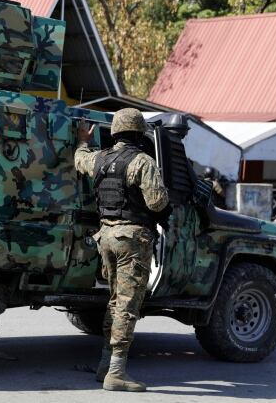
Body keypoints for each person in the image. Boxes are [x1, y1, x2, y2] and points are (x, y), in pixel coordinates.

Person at [74, 108, 170, 392]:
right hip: (132, 239)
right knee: (128, 305)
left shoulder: (100, 159)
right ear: (139, 133)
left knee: (115, 301)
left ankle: (105, 365)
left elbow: (80, 159)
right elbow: (157, 202)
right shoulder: (142, 161)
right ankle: (116, 372)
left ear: (115, 131)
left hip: (106, 236)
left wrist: (82, 140)